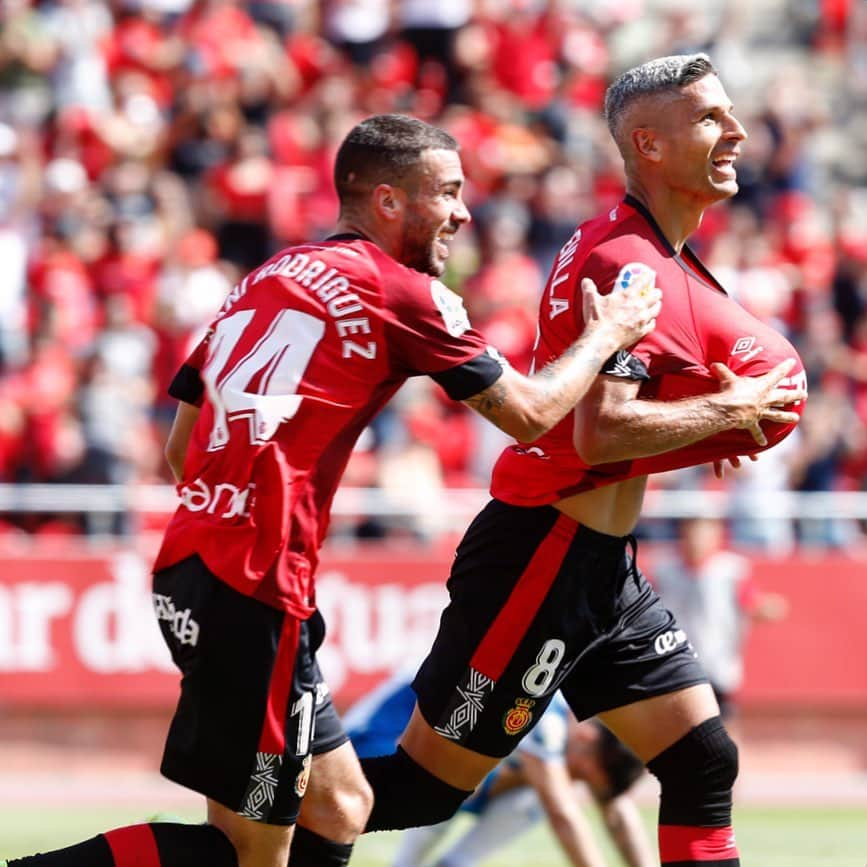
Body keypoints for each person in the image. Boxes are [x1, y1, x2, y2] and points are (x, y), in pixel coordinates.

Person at [3, 114, 662, 867]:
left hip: (198, 564)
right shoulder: (407, 293)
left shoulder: (264, 278)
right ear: (387, 200)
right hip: (254, 585)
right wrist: (607, 334)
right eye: (446, 192)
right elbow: (531, 414)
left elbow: (182, 449)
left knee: (341, 803)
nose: (462, 211)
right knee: (247, 853)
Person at [359, 56, 808, 867]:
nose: (736, 132)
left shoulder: (644, 251)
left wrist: (702, 425)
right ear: (650, 145)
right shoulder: (627, 261)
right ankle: (235, 822)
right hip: (543, 557)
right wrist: (727, 412)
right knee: (416, 793)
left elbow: (612, 423)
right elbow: (604, 433)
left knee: (701, 759)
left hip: (597, 566)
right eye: (709, 118)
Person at [344, 673, 655, 867]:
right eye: (583, 775)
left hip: (416, 756)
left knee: (524, 788)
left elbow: (615, 808)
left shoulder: (575, 722)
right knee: (457, 774)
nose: (577, 781)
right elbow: (563, 815)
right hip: (370, 745)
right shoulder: (546, 712)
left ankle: (454, 863)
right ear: (587, 739)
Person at [651, 516, 788, 721]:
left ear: (716, 538)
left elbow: (752, 602)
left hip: (716, 663)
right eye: (692, 534)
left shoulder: (731, 571)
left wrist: (765, 608)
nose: (696, 541)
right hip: (674, 663)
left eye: (703, 535)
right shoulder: (665, 570)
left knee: (718, 726)